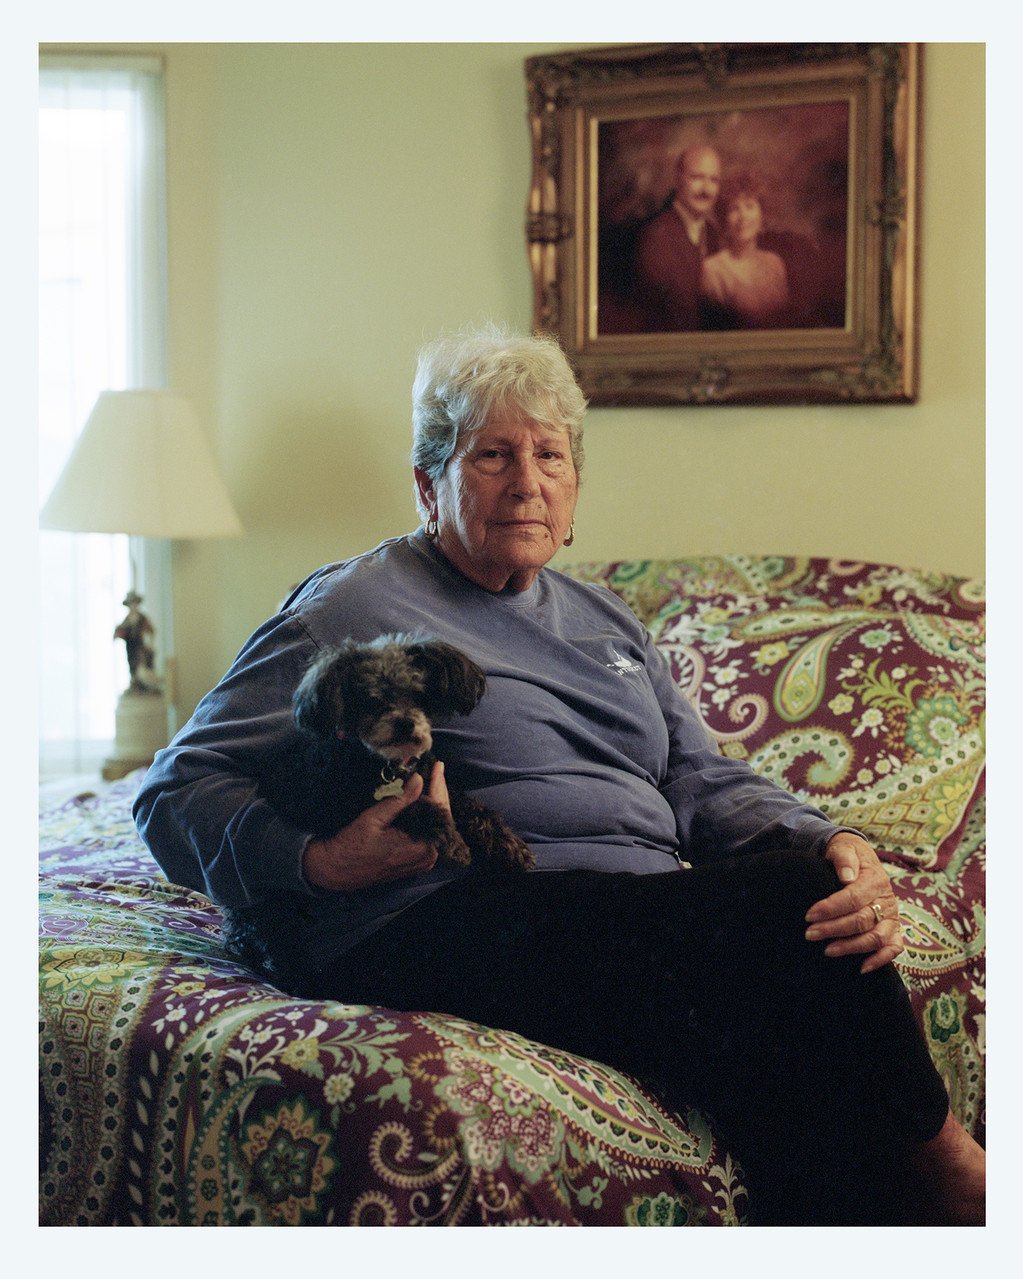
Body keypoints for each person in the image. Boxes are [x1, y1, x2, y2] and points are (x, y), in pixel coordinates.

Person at [133, 326, 985, 1226]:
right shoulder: (354, 603)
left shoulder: (608, 620)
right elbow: (176, 785)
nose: (527, 480)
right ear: (428, 484)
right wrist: (316, 861)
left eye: (548, 454)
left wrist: (835, 838)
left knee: (786, 1024)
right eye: (492, 454)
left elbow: (700, 776)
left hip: (627, 918)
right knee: (786, 910)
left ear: (574, 492)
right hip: (447, 909)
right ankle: (959, 1174)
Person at [632, 144, 721, 331]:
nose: (706, 189)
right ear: (678, 179)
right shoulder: (655, 236)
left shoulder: (716, 235)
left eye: (713, 180)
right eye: (697, 177)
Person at [700, 171, 791, 329]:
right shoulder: (712, 270)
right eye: (734, 208)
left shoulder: (775, 263)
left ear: (762, 215)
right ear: (724, 218)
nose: (743, 216)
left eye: (749, 206)